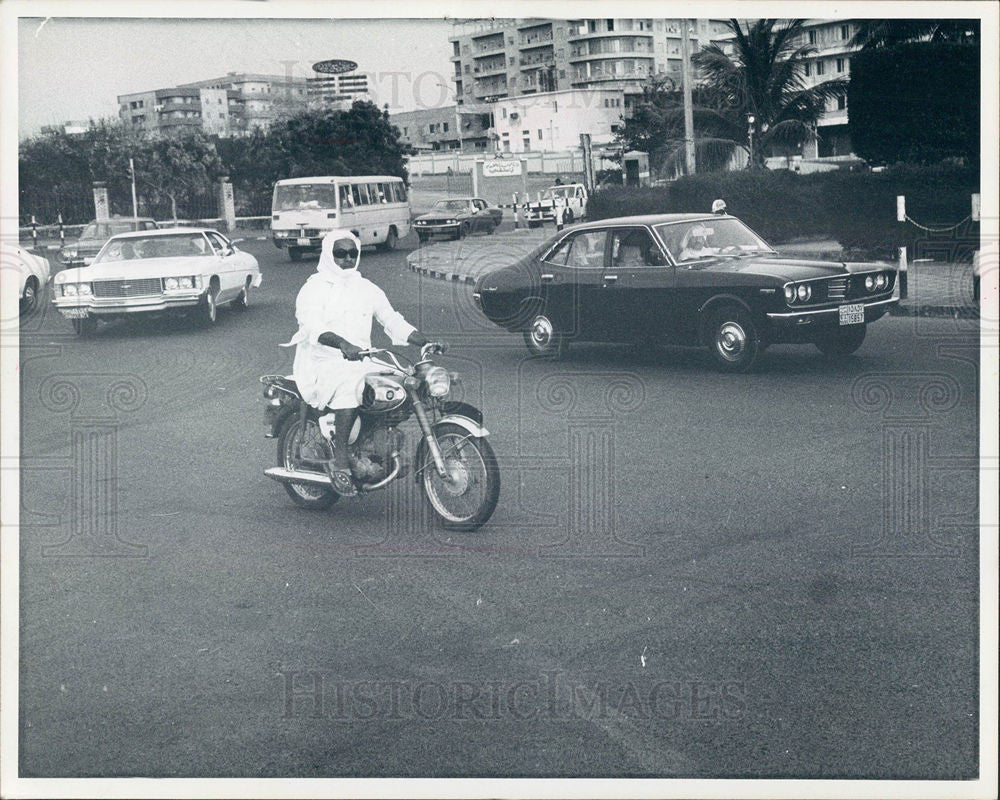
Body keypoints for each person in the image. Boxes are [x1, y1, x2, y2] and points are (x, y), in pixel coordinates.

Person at [282, 229, 435, 496]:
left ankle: (375, 439)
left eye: (353, 253)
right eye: (340, 253)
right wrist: (342, 344)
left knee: (402, 379)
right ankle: (341, 459)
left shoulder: (366, 287)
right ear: (329, 254)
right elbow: (312, 327)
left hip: (361, 358)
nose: (347, 258)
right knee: (351, 384)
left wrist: (423, 341)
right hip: (322, 361)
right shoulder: (313, 288)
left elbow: (391, 319)